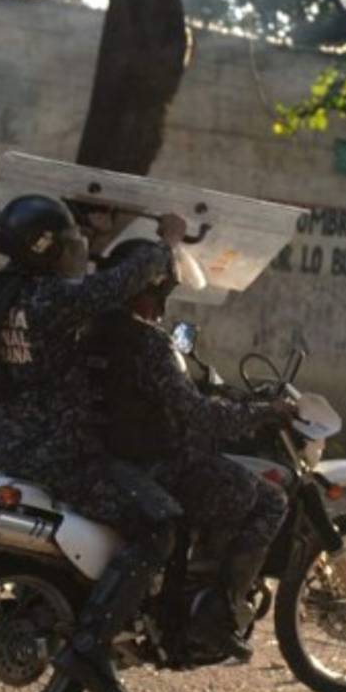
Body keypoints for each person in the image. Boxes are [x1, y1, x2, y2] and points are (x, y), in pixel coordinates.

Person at [0, 195, 185, 692]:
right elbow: (109, 288)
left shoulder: (2, 291)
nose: (76, 251)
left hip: (11, 443)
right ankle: (89, 646)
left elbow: (77, 285)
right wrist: (166, 243)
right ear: (47, 249)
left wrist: (99, 232)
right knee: (159, 523)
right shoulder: (53, 301)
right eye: (67, 243)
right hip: (63, 453)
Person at [90, 238, 293, 660]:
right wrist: (263, 411)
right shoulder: (149, 344)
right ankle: (216, 615)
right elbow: (199, 415)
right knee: (269, 501)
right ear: (144, 293)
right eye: (160, 295)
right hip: (156, 467)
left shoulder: (90, 330)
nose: (162, 308)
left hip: (104, 461)